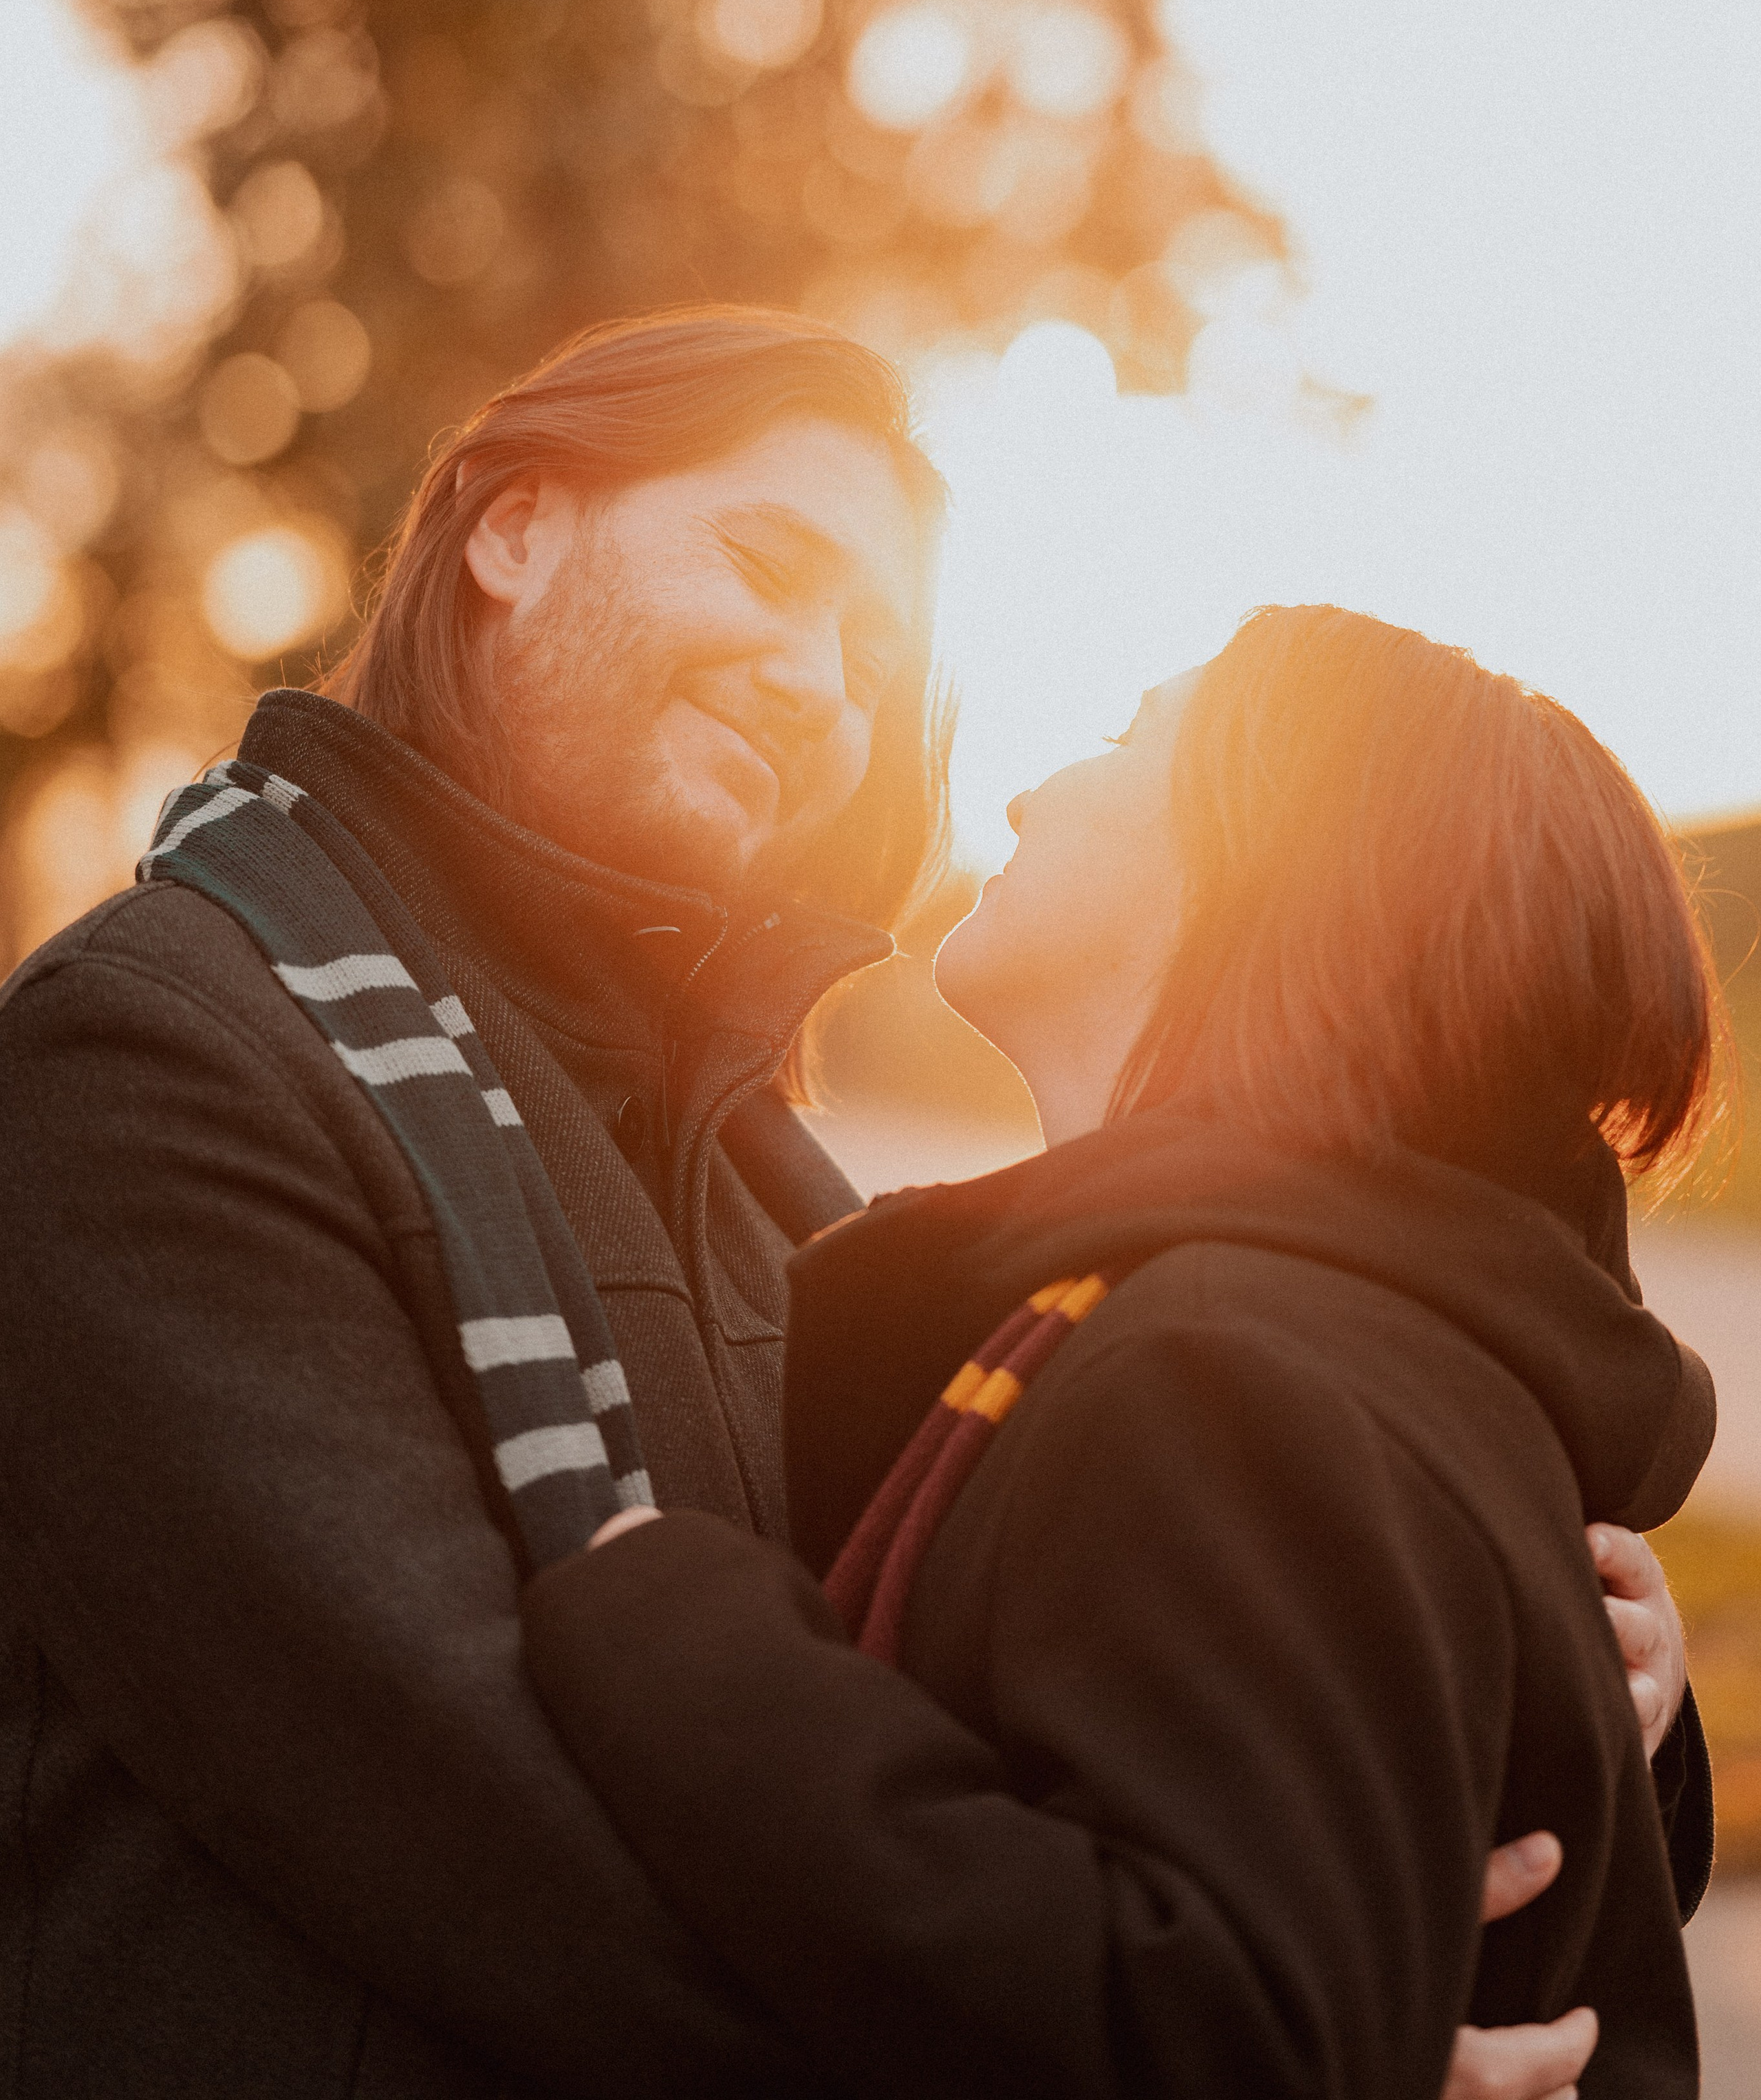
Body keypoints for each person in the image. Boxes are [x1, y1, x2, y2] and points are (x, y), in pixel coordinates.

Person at [0, 309, 1697, 2100]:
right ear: (513, 528)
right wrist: (1247, 2059)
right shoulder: (162, 1056)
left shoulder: (769, 1184)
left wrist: (1526, 1697)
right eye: (767, 562)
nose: (820, 681)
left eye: (878, 656)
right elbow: (474, 1832)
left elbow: (1030, 1757)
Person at [519, 607, 1720, 2100]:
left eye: (1119, 740)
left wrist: (688, 1646)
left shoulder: (1231, 1367)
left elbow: (1217, 2033)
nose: (1026, 792)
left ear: (1276, 868)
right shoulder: (1274, 1332)